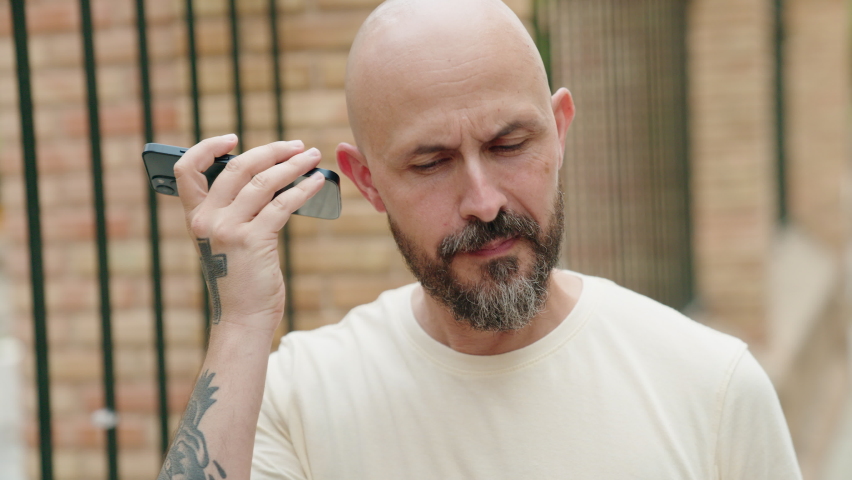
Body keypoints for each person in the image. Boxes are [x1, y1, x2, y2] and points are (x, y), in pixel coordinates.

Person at [158, 0, 802, 479]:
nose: (485, 201)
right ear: (367, 181)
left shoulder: (711, 387)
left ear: (559, 131)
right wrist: (242, 322)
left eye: (509, 144)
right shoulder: (299, 398)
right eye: (431, 162)